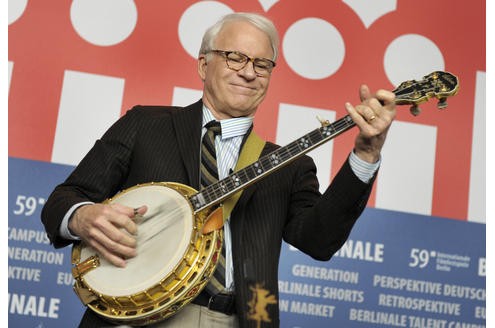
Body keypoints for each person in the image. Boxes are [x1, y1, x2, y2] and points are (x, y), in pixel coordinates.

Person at [41, 12, 396, 328]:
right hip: (136, 316)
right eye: (235, 57)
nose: (248, 71)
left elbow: (319, 241)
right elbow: (64, 199)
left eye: (261, 64)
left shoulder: (291, 166)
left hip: (237, 318)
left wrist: (365, 155)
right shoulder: (145, 124)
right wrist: (82, 217)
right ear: (203, 65)